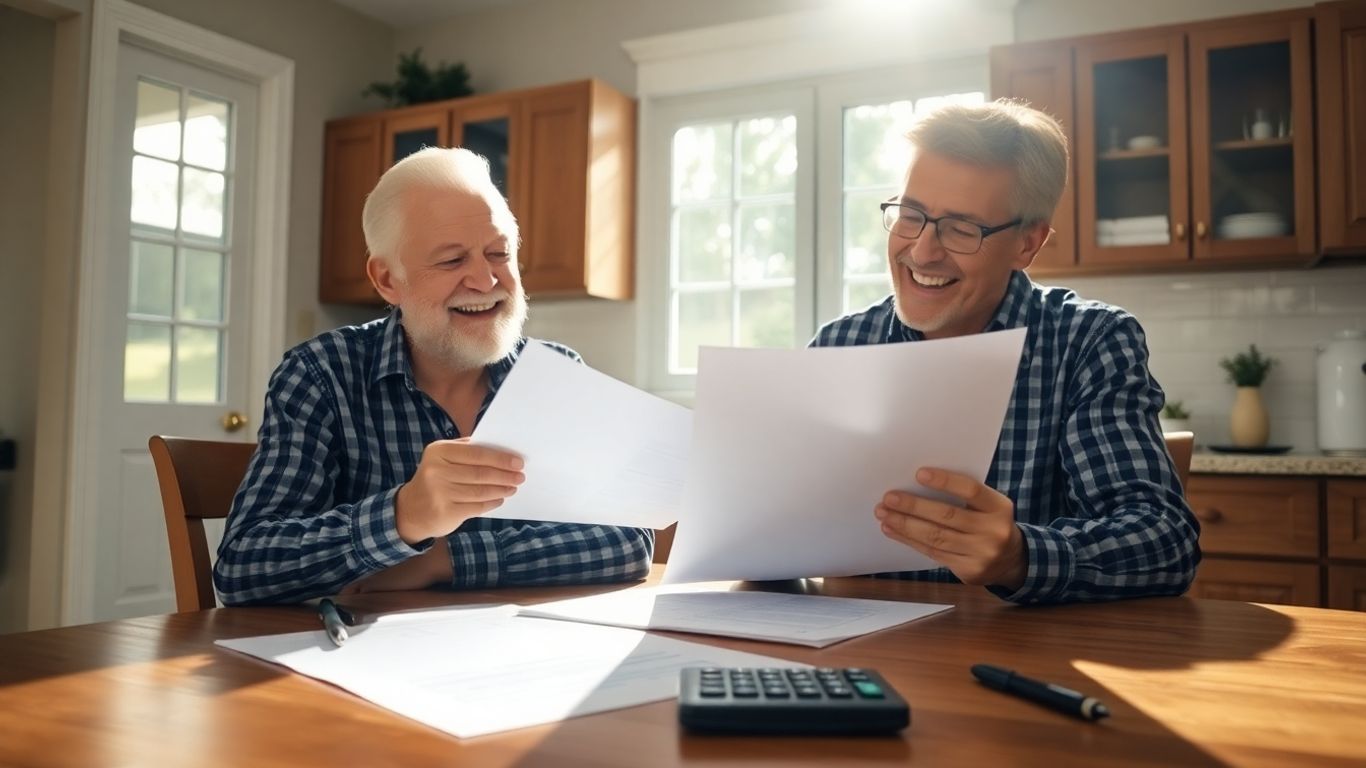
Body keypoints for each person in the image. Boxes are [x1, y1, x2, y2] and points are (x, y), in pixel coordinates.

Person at [214, 147, 653, 605]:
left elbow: (629, 541)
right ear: (387, 280)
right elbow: (242, 569)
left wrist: (442, 560)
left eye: (498, 253)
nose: (485, 281)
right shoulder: (321, 375)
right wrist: (404, 515)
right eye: (451, 261)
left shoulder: (557, 376)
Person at [811, 100, 1200, 604]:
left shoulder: (1089, 342)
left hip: (1018, 660)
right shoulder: (839, 347)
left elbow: (1165, 542)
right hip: (852, 657)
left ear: (1027, 244)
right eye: (911, 215)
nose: (923, 251)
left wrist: (1022, 556)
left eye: (961, 229)